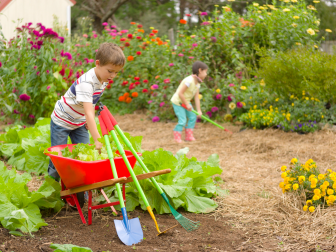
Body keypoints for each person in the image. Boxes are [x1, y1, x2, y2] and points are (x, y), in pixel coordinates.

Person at [48, 42, 125, 181]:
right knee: (58, 158)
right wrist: (97, 140)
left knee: (85, 154)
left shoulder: (104, 79)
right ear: (98, 63)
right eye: (110, 71)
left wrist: (87, 122)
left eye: (116, 72)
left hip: (79, 122)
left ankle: (79, 186)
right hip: (62, 121)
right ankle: (52, 188)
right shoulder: (86, 83)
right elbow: (89, 112)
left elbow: (92, 102)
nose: (113, 75)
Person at [170, 61, 208, 143]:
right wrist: (187, 104)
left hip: (185, 102)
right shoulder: (189, 81)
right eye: (205, 72)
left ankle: (189, 136)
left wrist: (199, 110)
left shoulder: (197, 83)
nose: (206, 74)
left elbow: (196, 97)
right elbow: (180, 93)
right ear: (200, 70)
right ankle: (177, 137)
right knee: (182, 120)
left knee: (193, 117)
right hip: (178, 102)